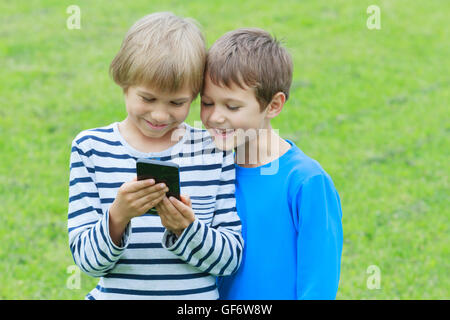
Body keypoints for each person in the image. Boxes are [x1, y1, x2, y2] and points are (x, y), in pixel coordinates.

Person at [67, 12, 243, 300]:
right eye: (147, 98)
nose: (160, 115)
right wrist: (117, 217)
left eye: (177, 102)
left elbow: (230, 261)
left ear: (196, 95)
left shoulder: (213, 150)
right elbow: (88, 263)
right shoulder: (91, 148)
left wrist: (187, 229)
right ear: (123, 82)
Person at [200, 28, 343, 299]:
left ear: (274, 105)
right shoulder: (213, 174)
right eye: (207, 103)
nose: (215, 117)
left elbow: (319, 285)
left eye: (232, 107)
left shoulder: (306, 181)